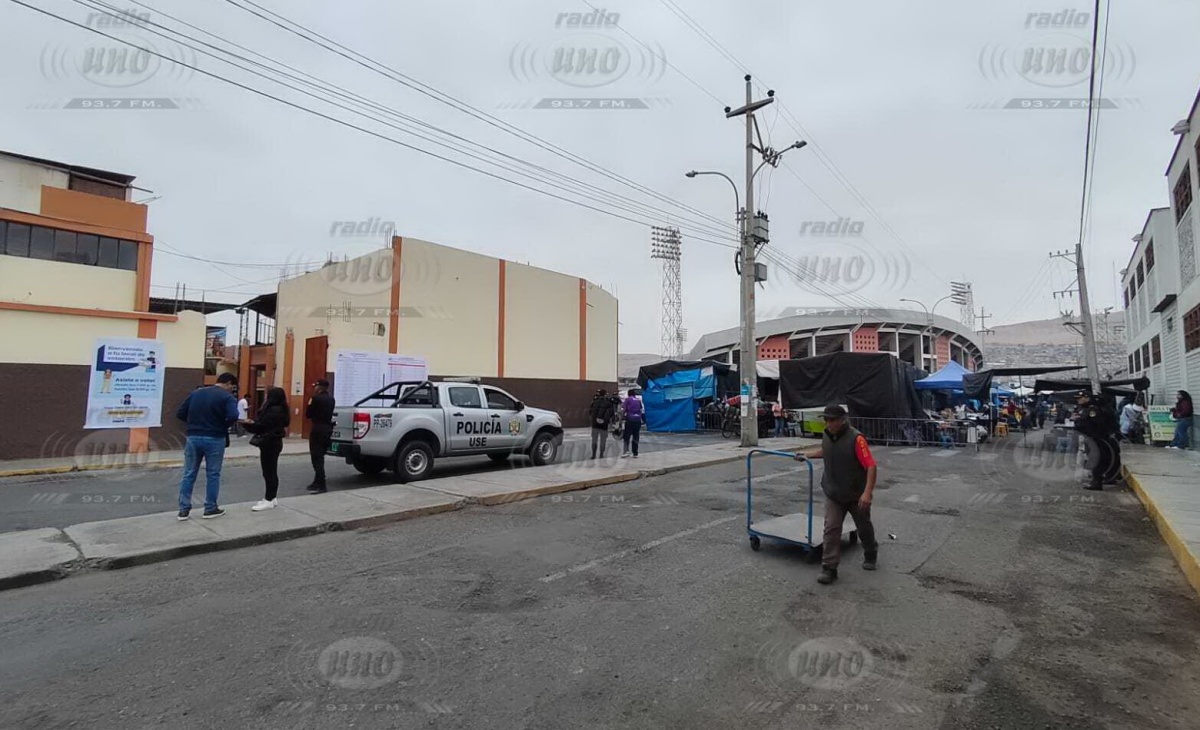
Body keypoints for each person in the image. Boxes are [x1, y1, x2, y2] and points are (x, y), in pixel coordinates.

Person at [794, 405, 880, 585]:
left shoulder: (856, 439)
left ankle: (871, 552)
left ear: (843, 420)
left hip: (856, 494)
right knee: (831, 528)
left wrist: (867, 493)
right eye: (826, 419)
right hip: (834, 491)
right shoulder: (827, 434)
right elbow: (826, 451)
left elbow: (871, 466)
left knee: (863, 526)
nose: (828, 423)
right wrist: (808, 455)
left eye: (832, 420)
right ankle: (829, 568)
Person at [175, 372, 239, 520]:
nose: (232, 390)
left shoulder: (196, 393)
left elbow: (180, 413)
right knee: (213, 474)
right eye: (232, 387)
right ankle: (210, 508)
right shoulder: (227, 397)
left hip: (193, 437)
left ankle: (183, 510)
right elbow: (233, 416)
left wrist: (194, 423)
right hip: (215, 438)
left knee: (189, 473)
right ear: (228, 383)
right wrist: (223, 425)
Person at [242, 387, 290, 511]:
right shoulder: (282, 409)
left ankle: (269, 498)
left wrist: (248, 424)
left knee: (269, 471)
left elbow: (262, 426)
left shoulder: (273, 410)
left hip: (270, 442)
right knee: (270, 471)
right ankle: (271, 497)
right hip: (274, 442)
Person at [1073, 391, 1120, 491]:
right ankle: (1103, 479)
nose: (1078, 400)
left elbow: (1093, 425)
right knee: (1103, 458)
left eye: (1080, 398)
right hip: (1099, 438)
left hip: (1097, 438)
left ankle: (1096, 482)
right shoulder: (1097, 408)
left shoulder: (1093, 410)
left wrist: (1079, 422)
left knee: (1097, 460)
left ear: (1086, 397)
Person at [306, 379, 335, 493]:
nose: (315, 388)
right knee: (320, 455)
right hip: (327, 429)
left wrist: (311, 403)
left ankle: (321, 484)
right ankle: (317, 481)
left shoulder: (315, 398)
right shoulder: (331, 399)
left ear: (320, 387)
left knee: (316, 457)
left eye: (316, 386)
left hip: (317, 429)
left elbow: (308, 414)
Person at [589, 388, 616, 459]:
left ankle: (593, 454)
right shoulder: (608, 403)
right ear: (605, 394)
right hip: (604, 425)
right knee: (603, 439)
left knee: (594, 439)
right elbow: (611, 414)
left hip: (595, 424)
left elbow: (590, 412)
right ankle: (601, 454)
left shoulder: (594, 402)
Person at [621, 392, 644, 458]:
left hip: (630, 420)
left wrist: (622, 418)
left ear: (629, 394)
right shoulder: (638, 401)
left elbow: (624, 409)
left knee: (627, 436)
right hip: (638, 420)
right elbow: (641, 409)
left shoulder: (627, 399)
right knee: (636, 436)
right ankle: (635, 453)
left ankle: (626, 452)